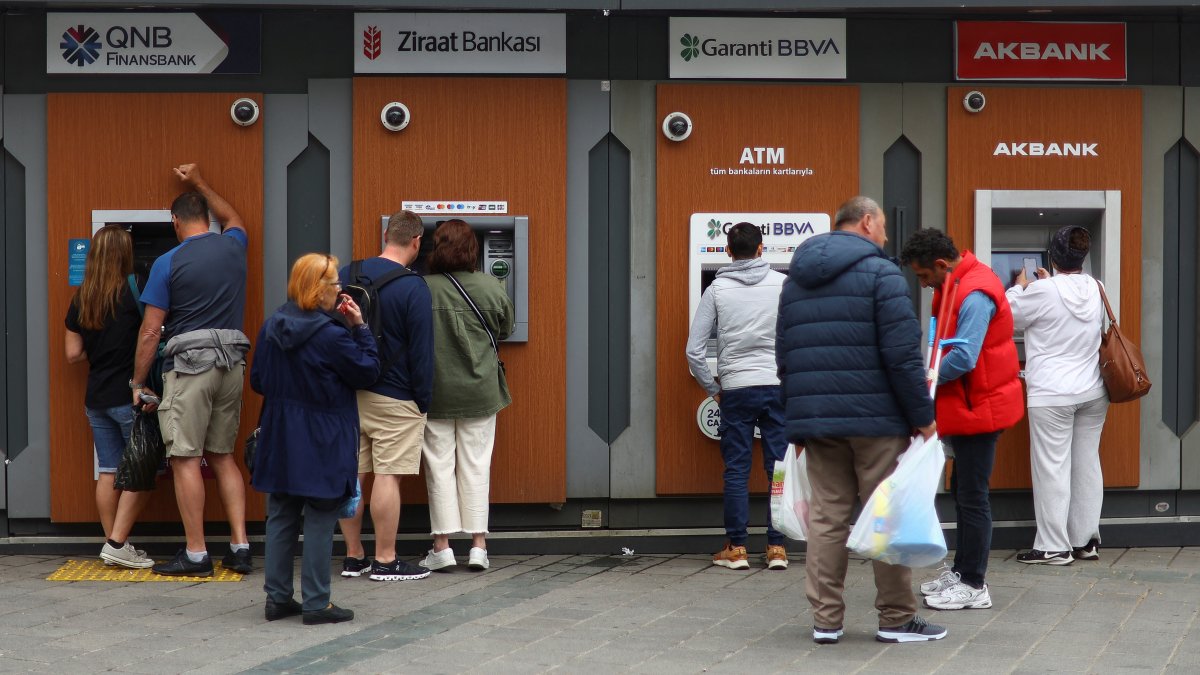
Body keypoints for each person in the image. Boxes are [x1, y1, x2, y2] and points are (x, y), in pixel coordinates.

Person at [776, 196, 945, 645]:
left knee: (827, 518)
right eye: (884, 226)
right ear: (867, 222)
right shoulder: (882, 275)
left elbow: (785, 355)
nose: (886, 237)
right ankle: (895, 618)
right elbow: (902, 357)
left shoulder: (795, 279)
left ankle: (826, 621)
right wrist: (923, 419)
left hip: (816, 420)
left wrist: (796, 423)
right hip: (876, 421)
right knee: (886, 515)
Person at [131, 163, 254, 577]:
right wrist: (201, 181)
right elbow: (234, 217)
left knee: (185, 458)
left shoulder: (168, 262)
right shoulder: (234, 244)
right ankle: (239, 546)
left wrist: (137, 383)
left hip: (189, 366)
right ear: (208, 218)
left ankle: (197, 554)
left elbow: (150, 331)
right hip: (231, 363)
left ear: (175, 221)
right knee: (222, 456)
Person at [250, 253, 380, 625]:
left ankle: (277, 599)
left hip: (280, 432)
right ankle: (317, 602)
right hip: (323, 435)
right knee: (321, 516)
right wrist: (360, 327)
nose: (339, 289)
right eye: (335, 283)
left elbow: (258, 380)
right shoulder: (331, 334)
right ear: (319, 289)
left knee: (282, 514)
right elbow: (367, 372)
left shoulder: (273, 324)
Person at [901, 228, 1024, 611]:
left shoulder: (974, 292)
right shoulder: (956, 283)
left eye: (923, 276)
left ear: (941, 264)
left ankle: (974, 583)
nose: (922, 285)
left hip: (980, 407)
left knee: (972, 496)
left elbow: (965, 357)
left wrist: (925, 384)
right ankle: (962, 569)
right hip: (968, 405)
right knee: (963, 492)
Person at [684, 222, 789, 571]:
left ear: (728, 251)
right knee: (778, 469)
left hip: (737, 389)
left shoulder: (716, 290)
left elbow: (694, 351)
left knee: (737, 470)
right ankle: (777, 547)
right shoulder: (784, 285)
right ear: (762, 249)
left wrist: (713, 389)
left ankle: (737, 548)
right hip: (777, 387)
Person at [338, 209, 434, 582]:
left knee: (354, 475)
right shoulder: (414, 287)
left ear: (385, 236)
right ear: (416, 242)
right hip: (396, 396)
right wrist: (423, 398)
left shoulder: (349, 273)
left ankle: (353, 556)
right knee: (388, 477)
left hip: (351, 392)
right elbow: (423, 351)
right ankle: (386, 559)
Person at [417, 220, 515, 572]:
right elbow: (506, 328)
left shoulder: (421, 288)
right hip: (481, 390)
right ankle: (477, 546)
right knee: (476, 464)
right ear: (473, 250)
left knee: (439, 465)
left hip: (436, 391)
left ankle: (441, 547)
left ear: (436, 248)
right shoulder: (491, 286)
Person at [1006, 226, 1108, 564]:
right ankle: (1085, 540)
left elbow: (1008, 316)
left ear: (1053, 256)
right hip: (1093, 391)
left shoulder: (1041, 290)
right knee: (1086, 465)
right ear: (1083, 257)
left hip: (1052, 393)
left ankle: (1052, 546)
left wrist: (1019, 287)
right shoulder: (1097, 287)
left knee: (1052, 468)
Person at [64, 224, 154, 569]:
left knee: (109, 471)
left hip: (96, 398)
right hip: (128, 395)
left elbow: (72, 354)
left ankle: (114, 545)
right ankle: (117, 542)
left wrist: (99, 352)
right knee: (143, 472)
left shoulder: (82, 297)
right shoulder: (134, 289)